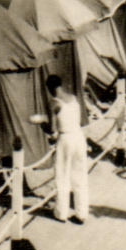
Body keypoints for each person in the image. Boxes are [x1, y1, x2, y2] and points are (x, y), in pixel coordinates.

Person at [46, 74, 89, 225]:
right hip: (79, 137)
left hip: (65, 139)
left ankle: (61, 213)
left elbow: (52, 130)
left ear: (51, 88)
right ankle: (81, 213)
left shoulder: (54, 103)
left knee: (62, 176)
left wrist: (41, 123)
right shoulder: (73, 98)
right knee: (80, 175)